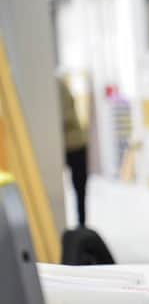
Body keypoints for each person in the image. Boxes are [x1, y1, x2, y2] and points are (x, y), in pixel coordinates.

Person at [58, 77, 88, 226]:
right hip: (61, 145)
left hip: (75, 145)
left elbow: (67, 116)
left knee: (80, 188)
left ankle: (81, 225)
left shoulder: (57, 85)